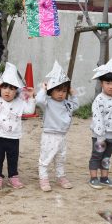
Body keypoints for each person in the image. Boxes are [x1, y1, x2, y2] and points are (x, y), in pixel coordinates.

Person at [0, 63, 36, 190]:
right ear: (0, 88)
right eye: (4, 87)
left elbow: (29, 111)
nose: (7, 91)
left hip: (13, 137)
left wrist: (31, 97)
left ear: (16, 91)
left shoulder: (20, 102)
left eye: (12, 88)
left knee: (13, 159)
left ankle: (13, 177)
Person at [35, 61, 80, 192]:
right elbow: (38, 100)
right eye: (58, 90)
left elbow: (76, 105)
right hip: (49, 134)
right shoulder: (47, 102)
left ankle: (61, 176)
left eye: (64, 91)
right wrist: (43, 89)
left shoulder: (67, 103)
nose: (61, 94)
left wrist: (73, 93)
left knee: (61, 158)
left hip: (62, 136)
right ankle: (43, 179)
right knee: (46, 158)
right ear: (51, 90)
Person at [88, 58, 112, 190]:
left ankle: (104, 178)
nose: (111, 86)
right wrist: (100, 135)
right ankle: (93, 178)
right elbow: (97, 117)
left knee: (106, 157)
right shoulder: (99, 99)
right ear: (102, 83)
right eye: (108, 83)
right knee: (97, 155)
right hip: (100, 135)